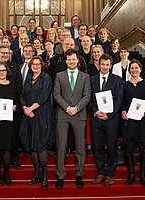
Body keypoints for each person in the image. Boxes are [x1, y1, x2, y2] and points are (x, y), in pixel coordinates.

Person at [53, 49, 91, 189]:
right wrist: (67, 108)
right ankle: (60, 175)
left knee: (80, 147)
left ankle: (79, 174)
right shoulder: (59, 76)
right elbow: (56, 94)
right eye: (69, 60)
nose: (71, 62)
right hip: (63, 115)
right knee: (61, 146)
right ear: (66, 61)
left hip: (79, 115)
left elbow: (87, 96)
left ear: (78, 60)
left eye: (73, 59)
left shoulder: (85, 76)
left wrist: (76, 108)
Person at [19, 56, 54, 190]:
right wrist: (25, 109)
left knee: (40, 146)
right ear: (30, 65)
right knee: (32, 145)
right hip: (28, 114)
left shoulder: (46, 78)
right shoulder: (28, 78)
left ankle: (45, 176)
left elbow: (44, 95)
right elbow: (22, 95)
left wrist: (31, 109)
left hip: (41, 114)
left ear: (42, 65)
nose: (35, 66)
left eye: (38, 64)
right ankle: (37, 174)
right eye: (33, 64)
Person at [89, 54, 123, 186]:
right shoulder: (92, 80)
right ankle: (101, 172)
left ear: (110, 65)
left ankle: (110, 174)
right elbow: (89, 99)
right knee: (98, 147)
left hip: (111, 120)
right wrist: (96, 112)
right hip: (96, 119)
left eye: (107, 64)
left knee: (112, 147)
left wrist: (109, 114)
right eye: (102, 64)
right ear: (99, 65)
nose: (104, 66)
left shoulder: (117, 80)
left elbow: (118, 99)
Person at [121, 59, 145, 186]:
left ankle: (142, 175)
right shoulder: (125, 85)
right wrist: (123, 110)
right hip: (129, 122)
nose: (134, 70)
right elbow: (121, 102)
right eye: (132, 68)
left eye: (136, 68)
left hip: (142, 121)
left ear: (140, 69)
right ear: (129, 70)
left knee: (143, 147)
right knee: (129, 147)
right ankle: (131, 175)